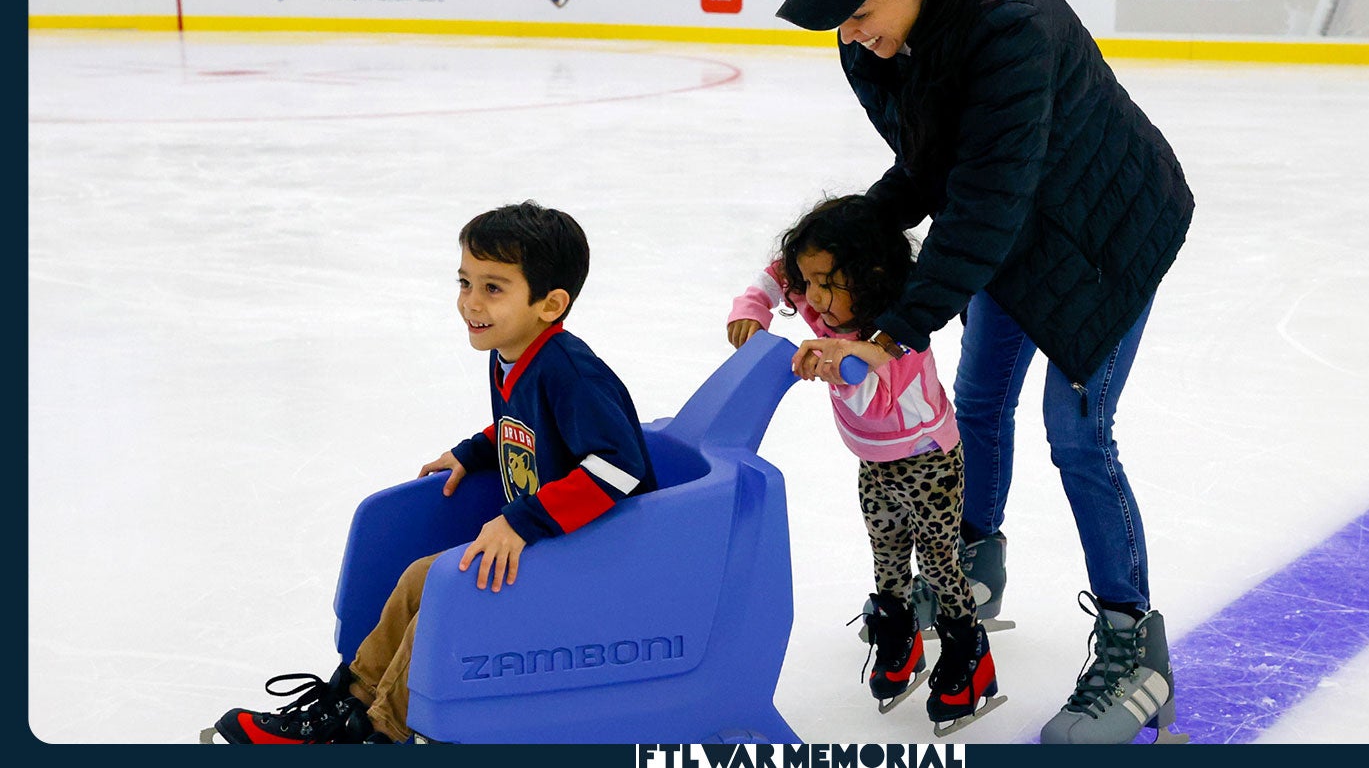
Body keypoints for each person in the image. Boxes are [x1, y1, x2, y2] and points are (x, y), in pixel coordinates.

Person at [775, 0, 1196, 745]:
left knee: (1077, 433)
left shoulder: (1015, 30)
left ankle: (1133, 646)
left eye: (860, 12)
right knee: (975, 404)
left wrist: (891, 333)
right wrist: (839, 243)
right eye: (837, 19)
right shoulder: (877, 45)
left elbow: (984, 202)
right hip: (1013, 231)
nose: (849, 33)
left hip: (1105, 233)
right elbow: (933, 169)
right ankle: (972, 567)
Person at [206, 201, 656, 744]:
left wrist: (523, 522)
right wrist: (472, 452)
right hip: (551, 540)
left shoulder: (570, 371)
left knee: (453, 591)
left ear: (550, 303)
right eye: (465, 282)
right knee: (424, 573)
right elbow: (529, 430)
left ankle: (385, 732)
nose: (470, 303)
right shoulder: (511, 353)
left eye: (494, 288)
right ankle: (350, 703)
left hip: (596, 553)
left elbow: (618, 467)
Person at [726, 194, 998, 730]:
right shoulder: (821, 297)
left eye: (828, 284)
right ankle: (900, 636)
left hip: (929, 465)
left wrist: (834, 363)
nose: (814, 298)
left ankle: (971, 655)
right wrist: (751, 308)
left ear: (870, 274)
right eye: (810, 284)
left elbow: (869, 396)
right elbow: (776, 273)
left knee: (939, 563)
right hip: (875, 462)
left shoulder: (898, 341)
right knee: (887, 552)